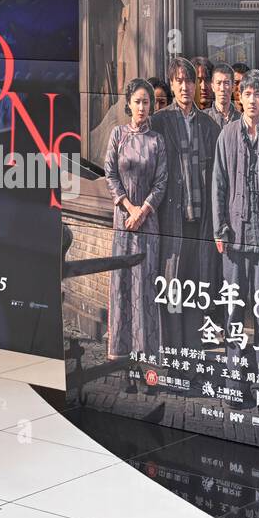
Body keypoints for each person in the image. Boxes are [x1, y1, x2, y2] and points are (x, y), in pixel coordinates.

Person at [212, 69, 259, 385]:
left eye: (258, 93)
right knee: (232, 313)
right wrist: (219, 229)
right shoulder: (227, 135)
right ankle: (233, 383)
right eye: (247, 93)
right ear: (239, 97)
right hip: (233, 241)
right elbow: (217, 184)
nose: (253, 99)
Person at [151, 57, 220, 349]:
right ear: (171, 83)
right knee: (171, 289)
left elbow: (219, 178)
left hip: (201, 222)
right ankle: (172, 353)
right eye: (179, 80)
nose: (185, 86)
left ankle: (191, 357)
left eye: (189, 80)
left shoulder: (208, 125)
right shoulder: (160, 121)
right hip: (171, 220)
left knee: (195, 288)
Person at [103, 78, 166, 362]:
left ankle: (145, 356)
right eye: (137, 101)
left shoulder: (157, 140)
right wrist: (129, 207)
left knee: (145, 285)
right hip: (123, 222)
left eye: (146, 102)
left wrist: (143, 211)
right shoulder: (118, 135)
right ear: (128, 103)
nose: (142, 107)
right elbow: (110, 173)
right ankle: (120, 353)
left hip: (148, 223)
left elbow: (162, 182)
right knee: (123, 284)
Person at [204, 63, 238, 129]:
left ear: (233, 87)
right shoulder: (203, 118)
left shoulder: (241, 119)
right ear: (212, 86)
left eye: (226, 83)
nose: (222, 88)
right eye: (218, 83)